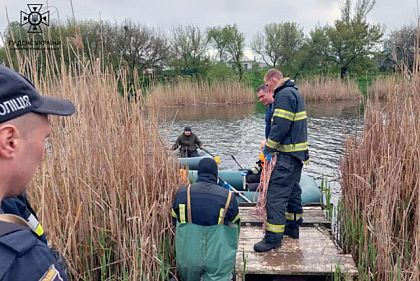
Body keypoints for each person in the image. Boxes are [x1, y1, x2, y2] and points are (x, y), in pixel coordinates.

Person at [0, 65, 75, 280]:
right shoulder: (23, 264)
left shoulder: (11, 206)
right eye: (44, 140)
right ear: (9, 141)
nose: (43, 154)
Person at [254, 69, 309, 252]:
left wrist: (268, 148)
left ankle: (273, 239)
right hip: (296, 156)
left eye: (268, 85)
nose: (269, 89)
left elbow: (280, 126)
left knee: (275, 196)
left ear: (274, 80)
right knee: (293, 192)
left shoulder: (284, 95)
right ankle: (292, 229)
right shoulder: (295, 93)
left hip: (286, 156)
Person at [172, 158, 240, 281]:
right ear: (216, 174)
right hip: (218, 257)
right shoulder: (229, 196)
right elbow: (235, 226)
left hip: (188, 255)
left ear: (198, 172)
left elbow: (174, 221)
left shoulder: (183, 193)